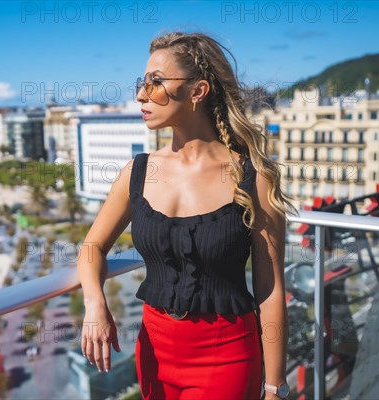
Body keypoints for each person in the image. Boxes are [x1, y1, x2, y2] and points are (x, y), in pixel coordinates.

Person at [77, 31, 298, 399]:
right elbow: (91, 247)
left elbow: (270, 290)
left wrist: (275, 388)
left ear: (198, 91)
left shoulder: (252, 177)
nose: (141, 95)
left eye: (156, 82)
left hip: (225, 356)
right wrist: (94, 304)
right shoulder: (137, 171)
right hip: (153, 351)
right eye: (142, 82)